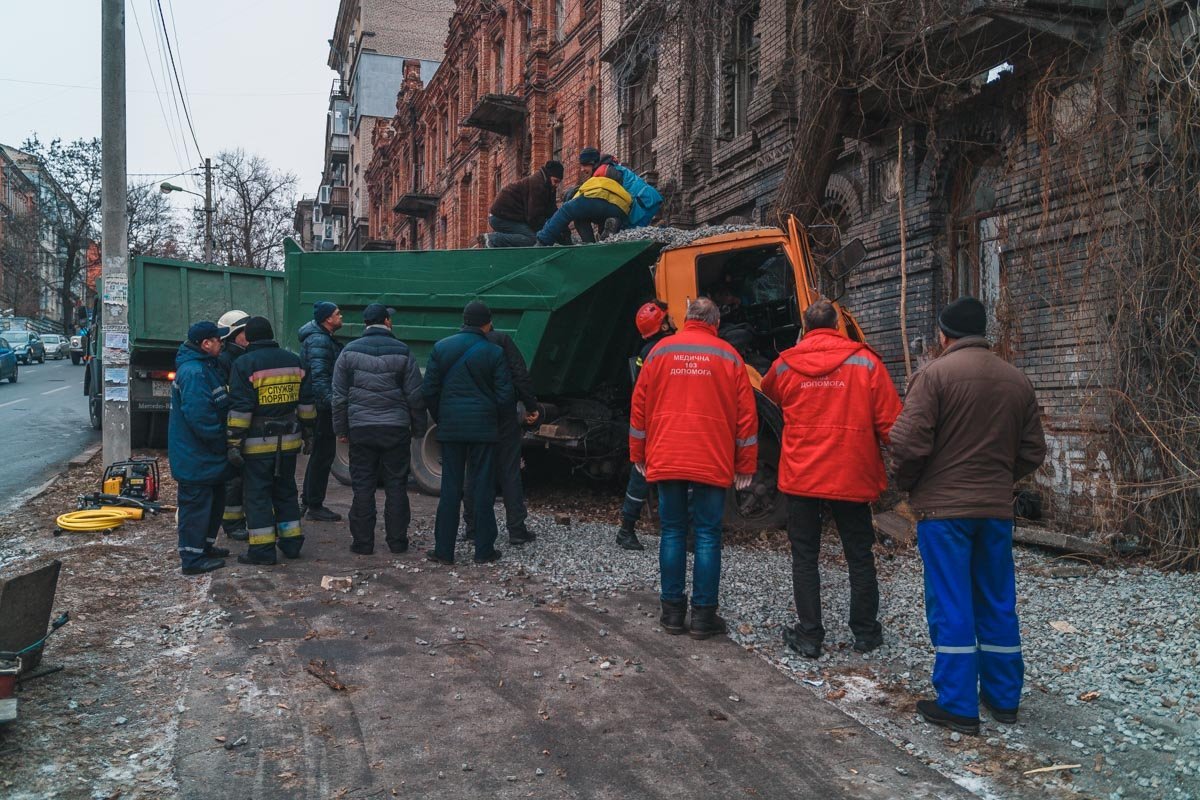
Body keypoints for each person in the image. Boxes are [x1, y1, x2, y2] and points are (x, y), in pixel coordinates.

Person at [889, 296, 1046, 736]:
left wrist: (911, 482)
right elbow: (1033, 450)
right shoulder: (1017, 381)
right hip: (995, 511)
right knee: (997, 600)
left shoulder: (933, 376)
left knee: (951, 601)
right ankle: (1003, 699)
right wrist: (998, 477)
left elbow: (905, 444)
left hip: (944, 513)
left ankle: (957, 705)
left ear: (944, 334)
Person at [761, 299, 902, 659]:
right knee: (859, 554)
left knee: (805, 556)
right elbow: (890, 423)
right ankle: (866, 633)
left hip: (803, 474)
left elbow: (768, 392)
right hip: (851, 472)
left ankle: (809, 636)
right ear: (837, 325)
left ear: (806, 328)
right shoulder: (865, 362)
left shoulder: (785, 364)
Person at [629, 297, 758, 639]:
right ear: (714, 323)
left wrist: (638, 453)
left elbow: (639, 407)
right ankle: (703, 617)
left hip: (668, 454)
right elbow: (747, 418)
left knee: (671, 531)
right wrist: (745, 464)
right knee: (707, 534)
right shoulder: (729, 356)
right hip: (711, 458)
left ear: (687, 319)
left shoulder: (658, 353)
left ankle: (672, 613)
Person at [422, 300, 514, 565]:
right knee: (483, 487)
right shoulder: (494, 352)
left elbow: (428, 391)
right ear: (487, 323)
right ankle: (484, 550)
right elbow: (506, 396)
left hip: (451, 429)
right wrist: (492, 418)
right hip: (483, 430)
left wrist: (443, 418)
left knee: (450, 488)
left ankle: (444, 550)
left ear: (463, 320)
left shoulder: (441, 347)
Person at [331, 303, 426, 555]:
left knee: (363, 486)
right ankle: (397, 542)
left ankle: (362, 543)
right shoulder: (403, 351)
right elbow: (415, 396)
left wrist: (341, 429)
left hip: (361, 429)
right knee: (396, 484)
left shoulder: (348, 353)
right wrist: (418, 428)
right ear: (386, 322)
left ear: (365, 324)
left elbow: (339, 397)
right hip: (395, 429)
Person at [226, 316, 317, 566]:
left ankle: (263, 551)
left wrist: (234, 442)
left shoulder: (244, 364)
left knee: (257, 496)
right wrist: (309, 433)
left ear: (250, 338)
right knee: (286, 491)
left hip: (257, 444)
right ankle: (291, 543)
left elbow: (241, 409)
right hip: (289, 442)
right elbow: (307, 404)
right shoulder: (294, 361)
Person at [461, 320, 540, 545]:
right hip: (504, 417)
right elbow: (520, 374)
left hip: (474, 416)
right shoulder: (502, 341)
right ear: (490, 322)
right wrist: (531, 406)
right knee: (509, 472)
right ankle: (516, 529)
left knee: (474, 471)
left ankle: (472, 527)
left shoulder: (458, 344)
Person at [168, 321, 232, 575]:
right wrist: (220, 442)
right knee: (196, 506)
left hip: (203, 455)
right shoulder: (194, 372)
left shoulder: (205, 367)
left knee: (213, 502)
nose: (222, 344)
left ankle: (204, 547)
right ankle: (192, 559)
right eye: (219, 340)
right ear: (206, 344)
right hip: (196, 455)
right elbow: (200, 416)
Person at [615, 301, 675, 551]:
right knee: (646, 475)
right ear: (661, 325)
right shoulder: (663, 350)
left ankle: (628, 528)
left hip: (652, 420)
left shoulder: (647, 350)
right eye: (667, 319)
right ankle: (627, 529)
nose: (671, 321)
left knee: (643, 474)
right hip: (660, 422)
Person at [298, 301, 344, 522]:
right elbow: (319, 377)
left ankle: (309, 501)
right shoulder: (319, 341)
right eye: (337, 314)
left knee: (321, 454)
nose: (340, 316)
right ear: (327, 319)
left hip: (319, 405)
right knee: (322, 454)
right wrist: (331, 404)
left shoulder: (322, 339)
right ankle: (313, 504)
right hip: (321, 407)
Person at [535, 150, 631, 246]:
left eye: (584, 165)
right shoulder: (607, 170)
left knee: (566, 209)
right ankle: (595, 242)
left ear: (593, 163)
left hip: (611, 202)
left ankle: (542, 241)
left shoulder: (604, 171)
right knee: (580, 218)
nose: (582, 169)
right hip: (618, 208)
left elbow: (570, 208)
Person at [215, 309, 250, 542]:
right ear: (234, 335)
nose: (249, 337)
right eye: (244, 333)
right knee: (233, 479)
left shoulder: (242, 357)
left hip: (243, 425)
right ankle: (232, 523)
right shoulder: (225, 361)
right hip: (231, 426)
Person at [487, 161, 563, 247]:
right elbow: (534, 218)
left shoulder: (549, 187)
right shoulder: (537, 184)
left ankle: (499, 242)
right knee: (532, 240)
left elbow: (552, 212)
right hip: (499, 217)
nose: (557, 185)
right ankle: (492, 239)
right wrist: (549, 234)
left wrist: (564, 237)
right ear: (548, 176)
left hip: (513, 217)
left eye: (559, 182)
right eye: (555, 181)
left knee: (533, 237)